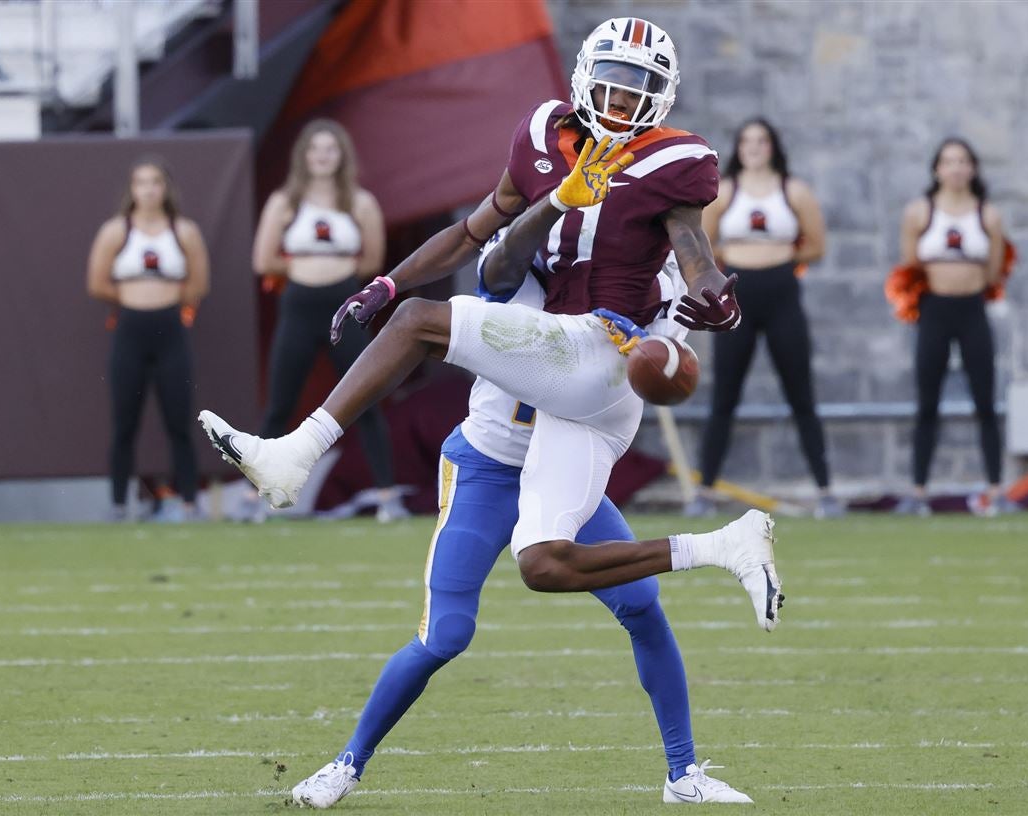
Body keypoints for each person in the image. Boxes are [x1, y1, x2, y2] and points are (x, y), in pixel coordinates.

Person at [199, 17, 782, 803]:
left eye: (636, 88)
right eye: (608, 82)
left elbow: (691, 248)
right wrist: (399, 275)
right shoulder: (531, 199)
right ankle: (345, 765)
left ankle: (294, 455)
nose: (618, 100)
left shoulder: (669, 172)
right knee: (496, 601)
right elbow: (488, 250)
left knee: (418, 323)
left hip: (593, 370)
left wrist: (712, 296)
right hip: (497, 451)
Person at [285, 239, 752, 808]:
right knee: (446, 635)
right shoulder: (526, 269)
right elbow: (497, 267)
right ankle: (346, 764)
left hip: (559, 469)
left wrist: (656, 341)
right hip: (487, 467)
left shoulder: (634, 287)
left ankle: (683, 774)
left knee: (641, 606)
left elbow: (671, 350)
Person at [252, 119, 406, 521]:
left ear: (342, 156)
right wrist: (306, 265)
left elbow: (372, 262)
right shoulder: (286, 201)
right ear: (303, 156)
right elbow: (263, 259)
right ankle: (259, 501)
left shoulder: (360, 202)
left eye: (330, 149)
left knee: (365, 398)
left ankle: (388, 497)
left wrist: (333, 267)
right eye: (315, 149)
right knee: (280, 405)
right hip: (299, 305)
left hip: (346, 306)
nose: (322, 156)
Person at [689, 117, 840, 519]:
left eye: (762, 140)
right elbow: (704, 243)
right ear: (738, 148)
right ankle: (704, 492)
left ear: (773, 146)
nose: (754, 147)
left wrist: (777, 258)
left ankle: (825, 490)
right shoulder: (725, 191)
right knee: (725, 394)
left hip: (782, 292)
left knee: (800, 393)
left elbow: (816, 246)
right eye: (747, 141)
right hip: (737, 296)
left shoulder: (794, 191)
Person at [86, 157, 209, 522]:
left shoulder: (183, 231)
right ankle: (119, 503)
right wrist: (133, 299)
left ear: (166, 188)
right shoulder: (115, 231)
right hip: (130, 330)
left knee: (179, 420)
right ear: (132, 189)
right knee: (124, 421)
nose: (149, 189)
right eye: (141, 182)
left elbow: (199, 285)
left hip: (171, 329)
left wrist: (166, 301)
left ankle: (189, 502)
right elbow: (96, 282)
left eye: (156, 181)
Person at [895, 137, 1010, 516]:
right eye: (949, 161)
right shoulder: (919, 212)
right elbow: (910, 266)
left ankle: (995, 489)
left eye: (963, 161)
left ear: (972, 169)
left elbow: (994, 272)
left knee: (985, 401)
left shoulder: (987, 215)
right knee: (927, 401)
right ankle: (919, 489)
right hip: (934, 311)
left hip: (972, 309)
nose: (956, 168)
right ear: (937, 169)